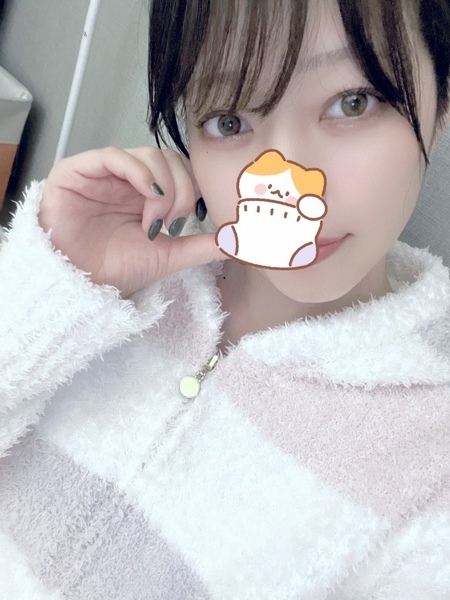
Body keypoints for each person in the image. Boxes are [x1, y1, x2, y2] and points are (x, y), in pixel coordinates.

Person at [1, 0, 449, 597]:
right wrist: (54, 289)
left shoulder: (432, 466)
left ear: (441, 103)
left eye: (353, 102)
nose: (290, 178)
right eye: (230, 121)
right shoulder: (109, 294)